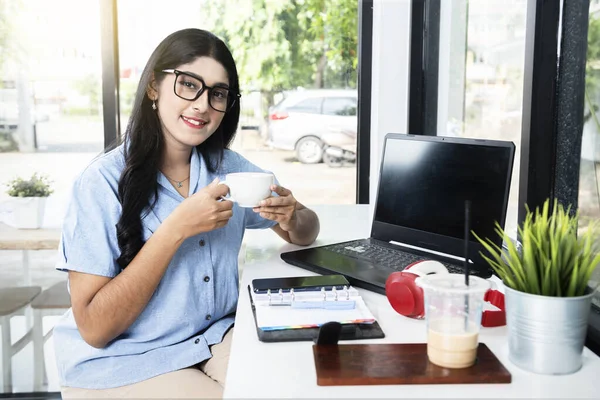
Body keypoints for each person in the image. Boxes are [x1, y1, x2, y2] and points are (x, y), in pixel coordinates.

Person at [53, 28, 320, 399]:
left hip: (210, 339)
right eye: (189, 84)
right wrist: (175, 229)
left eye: (218, 93)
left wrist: (291, 216)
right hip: (125, 359)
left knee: (298, 383)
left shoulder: (230, 169)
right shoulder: (100, 183)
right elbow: (95, 328)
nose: (202, 104)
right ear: (153, 87)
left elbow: (306, 230)